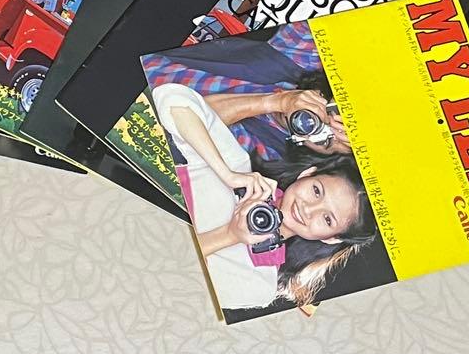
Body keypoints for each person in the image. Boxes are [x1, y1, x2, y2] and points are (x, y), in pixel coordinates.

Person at [151, 78, 376, 312]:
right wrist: (227, 174)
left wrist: (231, 235)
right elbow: (173, 99)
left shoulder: (259, 285)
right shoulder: (239, 168)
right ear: (307, 174)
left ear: (332, 238)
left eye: (327, 219)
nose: (308, 209)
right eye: (316, 191)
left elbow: (170, 281)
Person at [144, 22, 350, 162]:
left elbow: (188, 120)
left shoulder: (267, 154)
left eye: (326, 139)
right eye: (329, 111)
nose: (313, 118)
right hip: (151, 47)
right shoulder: (304, 59)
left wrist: (275, 102)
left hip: (142, 113)